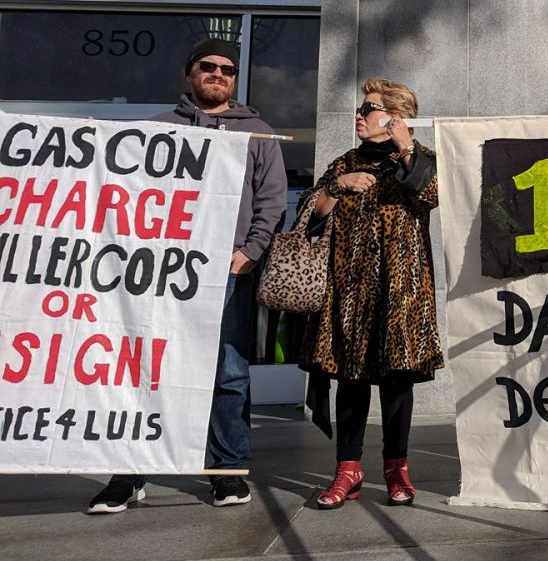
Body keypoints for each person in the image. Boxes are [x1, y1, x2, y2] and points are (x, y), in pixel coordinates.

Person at [87, 39, 288, 513]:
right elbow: (119, 185)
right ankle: (128, 475)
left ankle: (227, 472)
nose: (218, 74)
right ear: (190, 73)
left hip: (227, 272)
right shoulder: (156, 129)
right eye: (208, 66)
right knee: (143, 368)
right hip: (159, 271)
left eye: (227, 69)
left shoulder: (258, 134)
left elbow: (272, 201)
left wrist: (251, 252)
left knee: (229, 373)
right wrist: (93, 144)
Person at [300, 78, 442, 509]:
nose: (358, 116)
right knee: (351, 379)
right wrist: (336, 187)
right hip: (350, 291)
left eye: (368, 109)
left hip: (402, 290)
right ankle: (348, 470)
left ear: (394, 117)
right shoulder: (345, 162)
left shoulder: (422, 159)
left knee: (398, 381)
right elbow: (309, 218)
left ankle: (397, 469)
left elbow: (432, 195)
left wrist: (406, 148)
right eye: (360, 110)